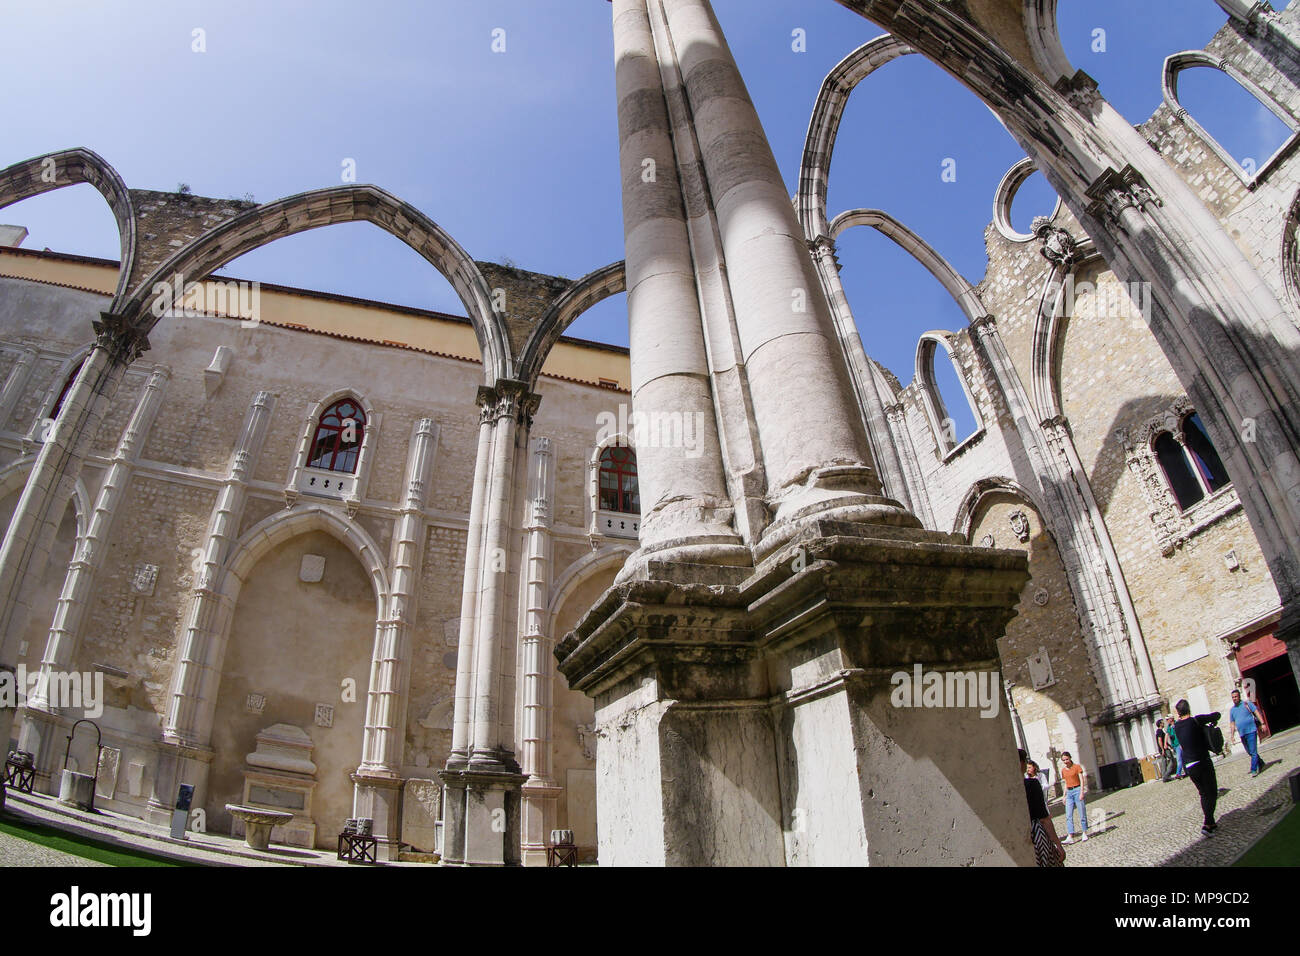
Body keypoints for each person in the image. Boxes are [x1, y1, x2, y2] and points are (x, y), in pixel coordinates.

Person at [1174, 699, 1222, 836]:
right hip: (1202, 761)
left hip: (1189, 765)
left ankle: (1211, 823)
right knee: (1211, 792)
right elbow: (1216, 715)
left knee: (1203, 793)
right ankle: (1207, 824)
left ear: (1178, 712)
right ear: (1188, 708)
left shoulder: (1177, 726)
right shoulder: (1196, 720)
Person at [1020, 749, 1065, 866]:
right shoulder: (1032, 784)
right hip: (1036, 836)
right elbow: (1044, 819)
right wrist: (1058, 845)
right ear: (1021, 764)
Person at [1228, 689, 1265, 776]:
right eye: (1233, 697)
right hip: (1242, 733)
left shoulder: (1247, 704)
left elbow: (1256, 712)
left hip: (1251, 730)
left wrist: (1262, 723)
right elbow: (1232, 723)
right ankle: (1261, 763)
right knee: (1250, 752)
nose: (1234, 698)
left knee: (1253, 751)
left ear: (1239, 696)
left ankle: (1253, 769)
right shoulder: (1232, 710)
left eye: (1236, 697)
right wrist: (1232, 735)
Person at [1059, 751, 1088, 843]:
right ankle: (1070, 835)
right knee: (1068, 815)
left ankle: (1084, 832)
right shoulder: (1063, 770)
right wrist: (1064, 796)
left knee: (1082, 812)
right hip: (1069, 792)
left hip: (1077, 789)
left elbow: (1081, 780)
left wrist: (1082, 792)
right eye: (1063, 760)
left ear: (1070, 758)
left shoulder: (1077, 767)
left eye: (1067, 759)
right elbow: (1066, 783)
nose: (1065, 761)